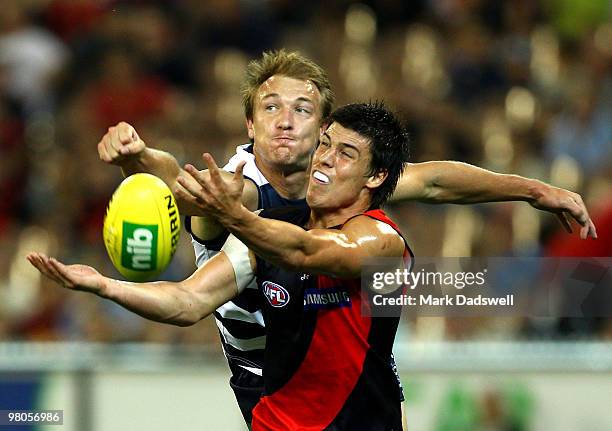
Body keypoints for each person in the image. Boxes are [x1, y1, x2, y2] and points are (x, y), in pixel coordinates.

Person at [96, 50, 597, 425]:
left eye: (302, 109)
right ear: (250, 123)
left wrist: (534, 190)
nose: (286, 121)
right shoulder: (237, 190)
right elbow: (181, 188)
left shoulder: (342, 176)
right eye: (270, 108)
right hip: (266, 372)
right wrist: (139, 157)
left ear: (324, 128)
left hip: (350, 367)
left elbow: (437, 180)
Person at [28, 101, 413, 430]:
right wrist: (104, 286)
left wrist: (232, 215)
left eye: (346, 153)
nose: (326, 158)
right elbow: (187, 301)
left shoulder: (380, 241)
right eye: (325, 144)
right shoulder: (269, 229)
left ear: (376, 176)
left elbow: (305, 252)